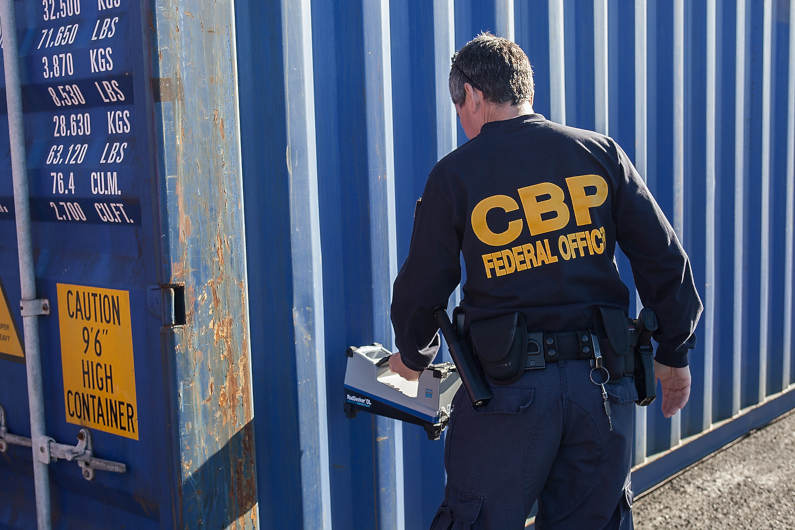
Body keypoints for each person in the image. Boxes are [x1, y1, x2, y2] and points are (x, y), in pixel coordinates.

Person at [388, 33, 702, 529]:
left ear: (471, 94)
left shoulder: (455, 175)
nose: (460, 118)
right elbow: (665, 260)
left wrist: (412, 355)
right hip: (602, 387)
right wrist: (673, 353)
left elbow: (424, 285)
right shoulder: (599, 153)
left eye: (458, 104)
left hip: (508, 395)